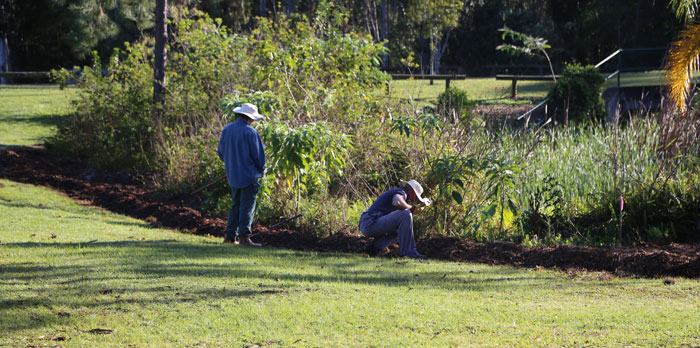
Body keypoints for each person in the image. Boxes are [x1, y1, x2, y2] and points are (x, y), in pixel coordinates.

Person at [217, 103, 266, 247]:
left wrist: (232, 164)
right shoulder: (250, 132)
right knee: (247, 207)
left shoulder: (227, 130)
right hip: (249, 175)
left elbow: (221, 152)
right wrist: (262, 169)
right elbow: (258, 156)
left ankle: (229, 236)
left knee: (235, 205)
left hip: (233, 175)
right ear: (250, 118)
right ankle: (244, 238)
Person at [359, 180, 431, 259]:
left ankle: (374, 249)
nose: (415, 200)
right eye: (416, 197)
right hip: (370, 222)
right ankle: (410, 253)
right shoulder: (401, 192)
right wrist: (412, 209)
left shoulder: (400, 193)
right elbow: (397, 202)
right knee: (405, 214)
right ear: (412, 192)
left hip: (368, 223)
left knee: (398, 227)